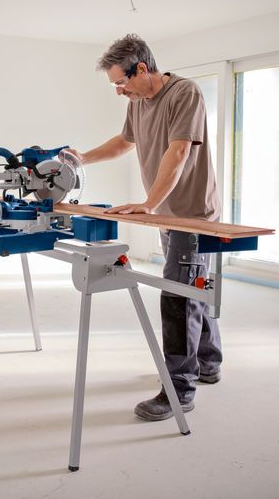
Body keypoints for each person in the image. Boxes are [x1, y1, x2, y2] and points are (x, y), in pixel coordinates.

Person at [65, 34, 223, 421]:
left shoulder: (185, 94)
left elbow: (180, 150)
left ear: (141, 69)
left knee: (177, 296)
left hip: (190, 214)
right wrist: (83, 158)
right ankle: (209, 362)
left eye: (122, 82)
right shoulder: (138, 102)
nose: (119, 91)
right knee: (192, 286)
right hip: (165, 212)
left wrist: (148, 203)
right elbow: (124, 141)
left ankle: (178, 390)